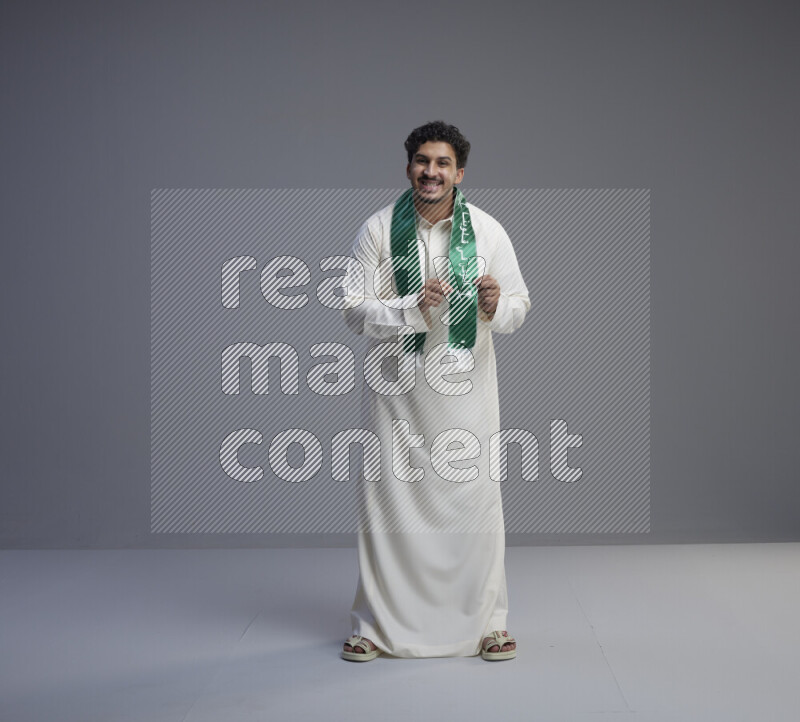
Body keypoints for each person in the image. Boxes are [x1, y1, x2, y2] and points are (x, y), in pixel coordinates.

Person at [340, 121, 530, 661]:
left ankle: (489, 622)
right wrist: (410, 305)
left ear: (459, 173)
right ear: (408, 168)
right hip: (396, 396)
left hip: (466, 396)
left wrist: (495, 306)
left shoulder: (488, 231)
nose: (431, 171)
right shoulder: (378, 229)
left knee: (475, 503)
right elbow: (352, 309)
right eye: (423, 161)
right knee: (388, 504)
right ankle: (373, 624)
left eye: (442, 163)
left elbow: (519, 305)